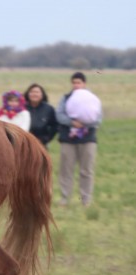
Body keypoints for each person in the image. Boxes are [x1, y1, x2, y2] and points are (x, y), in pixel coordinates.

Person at [56, 71, 102, 206]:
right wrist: (72, 123)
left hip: (88, 139)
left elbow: (98, 119)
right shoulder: (65, 98)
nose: (76, 85)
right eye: (74, 82)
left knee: (86, 170)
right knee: (66, 170)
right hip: (68, 139)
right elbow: (60, 115)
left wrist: (84, 123)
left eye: (79, 82)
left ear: (84, 83)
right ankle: (65, 198)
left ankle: (86, 199)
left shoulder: (92, 98)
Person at [23, 83, 58, 148]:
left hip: (41, 144)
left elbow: (55, 126)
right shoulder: (22, 108)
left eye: (37, 92)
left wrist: (46, 139)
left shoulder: (48, 109)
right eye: (32, 92)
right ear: (28, 94)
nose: (34, 94)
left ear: (42, 94)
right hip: (23, 143)